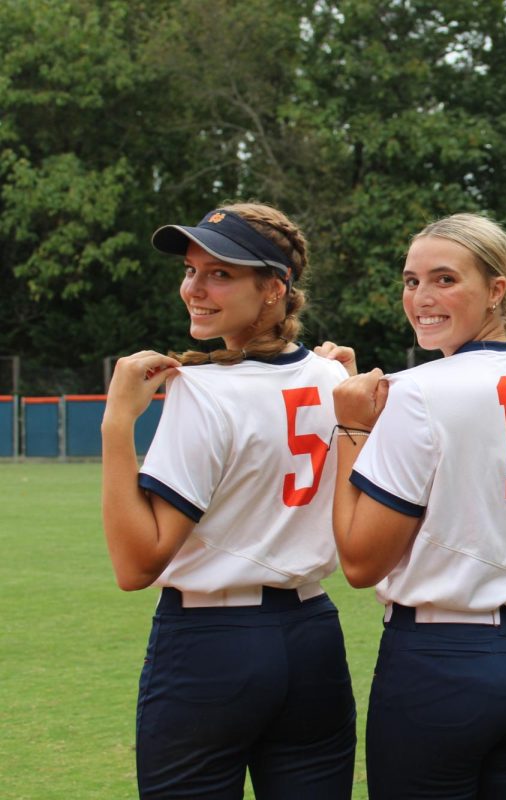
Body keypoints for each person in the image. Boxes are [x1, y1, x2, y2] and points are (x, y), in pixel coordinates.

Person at [100, 203, 357, 799]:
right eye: (191, 270)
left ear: (275, 288)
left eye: (220, 273)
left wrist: (117, 425)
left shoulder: (203, 390)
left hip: (210, 645)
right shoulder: (334, 380)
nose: (194, 288)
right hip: (312, 637)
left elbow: (136, 565)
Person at [330, 212, 506, 799]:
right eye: (411, 280)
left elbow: (361, 562)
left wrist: (350, 432)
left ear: (498, 288)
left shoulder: (417, 391)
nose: (421, 297)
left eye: (445, 279)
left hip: (440, 660)